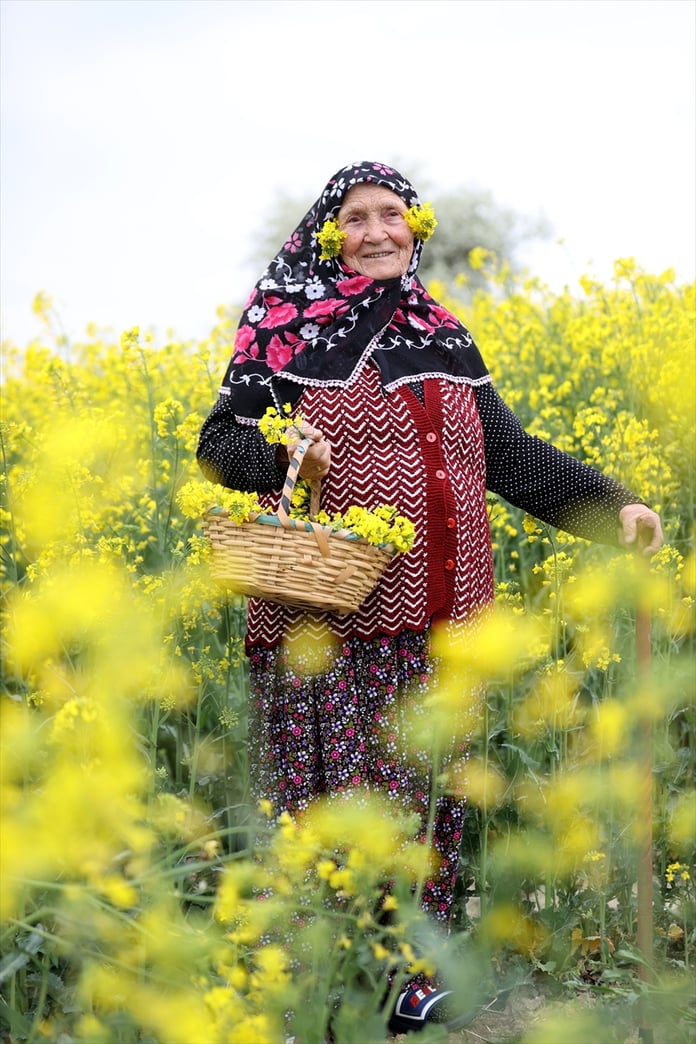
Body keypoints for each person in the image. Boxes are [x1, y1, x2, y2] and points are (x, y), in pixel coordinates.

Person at [196, 161, 663, 1031]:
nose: (377, 231)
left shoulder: (443, 334)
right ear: (329, 234)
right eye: (356, 218)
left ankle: (412, 974)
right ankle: (327, 974)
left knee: (429, 788)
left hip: (447, 612)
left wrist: (614, 507)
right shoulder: (286, 328)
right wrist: (285, 456)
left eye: (392, 214)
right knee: (344, 798)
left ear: (416, 228)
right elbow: (219, 447)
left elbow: (508, 455)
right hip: (333, 618)